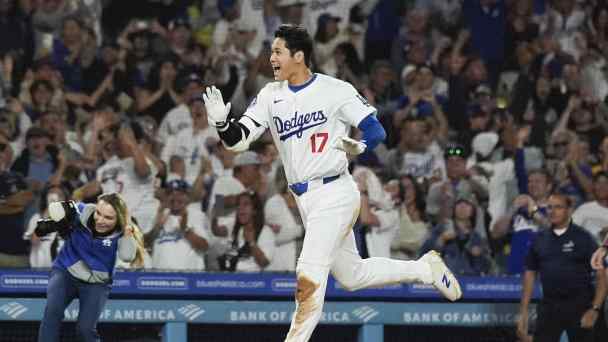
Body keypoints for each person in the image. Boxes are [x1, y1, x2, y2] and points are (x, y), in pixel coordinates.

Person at [202, 24, 462, 342]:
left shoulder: (334, 89)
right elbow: (238, 142)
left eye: (278, 52)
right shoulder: (270, 95)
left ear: (299, 56)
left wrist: (361, 145)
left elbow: (376, 130)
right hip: (305, 200)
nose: (271, 58)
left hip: (335, 191)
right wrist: (220, 121)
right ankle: (424, 269)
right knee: (352, 276)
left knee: (308, 276)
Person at [36, 193, 146, 342]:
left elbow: (127, 256)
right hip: (66, 271)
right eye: (98, 213)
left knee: (85, 330)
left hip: (97, 282)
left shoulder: (122, 232)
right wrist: (58, 220)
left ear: (118, 219)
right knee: (52, 313)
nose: (100, 220)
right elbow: (55, 209)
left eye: (108, 218)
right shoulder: (82, 212)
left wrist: (127, 231)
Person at [517, 193, 607, 342]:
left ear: (569, 210)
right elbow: (529, 273)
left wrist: (595, 309)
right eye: (549, 207)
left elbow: (601, 275)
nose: (552, 211)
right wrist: (523, 312)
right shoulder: (540, 239)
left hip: (581, 306)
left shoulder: (583, 238)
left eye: (558, 207)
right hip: (550, 306)